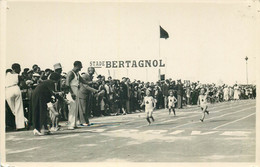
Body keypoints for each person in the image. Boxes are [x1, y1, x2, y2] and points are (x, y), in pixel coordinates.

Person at [5, 63, 27, 130]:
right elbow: (24, 85)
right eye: (19, 68)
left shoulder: (6, 75)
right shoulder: (18, 76)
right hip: (16, 88)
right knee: (18, 108)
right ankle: (22, 123)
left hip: (8, 90)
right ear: (14, 69)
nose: (20, 70)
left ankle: (23, 121)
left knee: (13, 109)